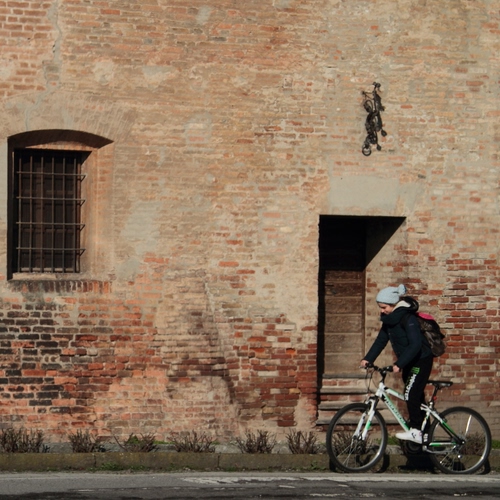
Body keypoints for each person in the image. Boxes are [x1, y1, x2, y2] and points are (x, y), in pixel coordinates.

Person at [360, 284, 433, 444]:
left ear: (393, 304)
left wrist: (399, 363)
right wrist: (368, 359)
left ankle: (416, 431)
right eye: (380, 307)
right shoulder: (389, 321)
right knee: (416, 398)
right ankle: (425, 432)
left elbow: (415, 345)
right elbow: (380, 341)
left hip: (421, 361)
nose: (382, 311)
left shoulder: (408, 318)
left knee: (410, 394)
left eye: (384, 307)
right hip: (409, 362)